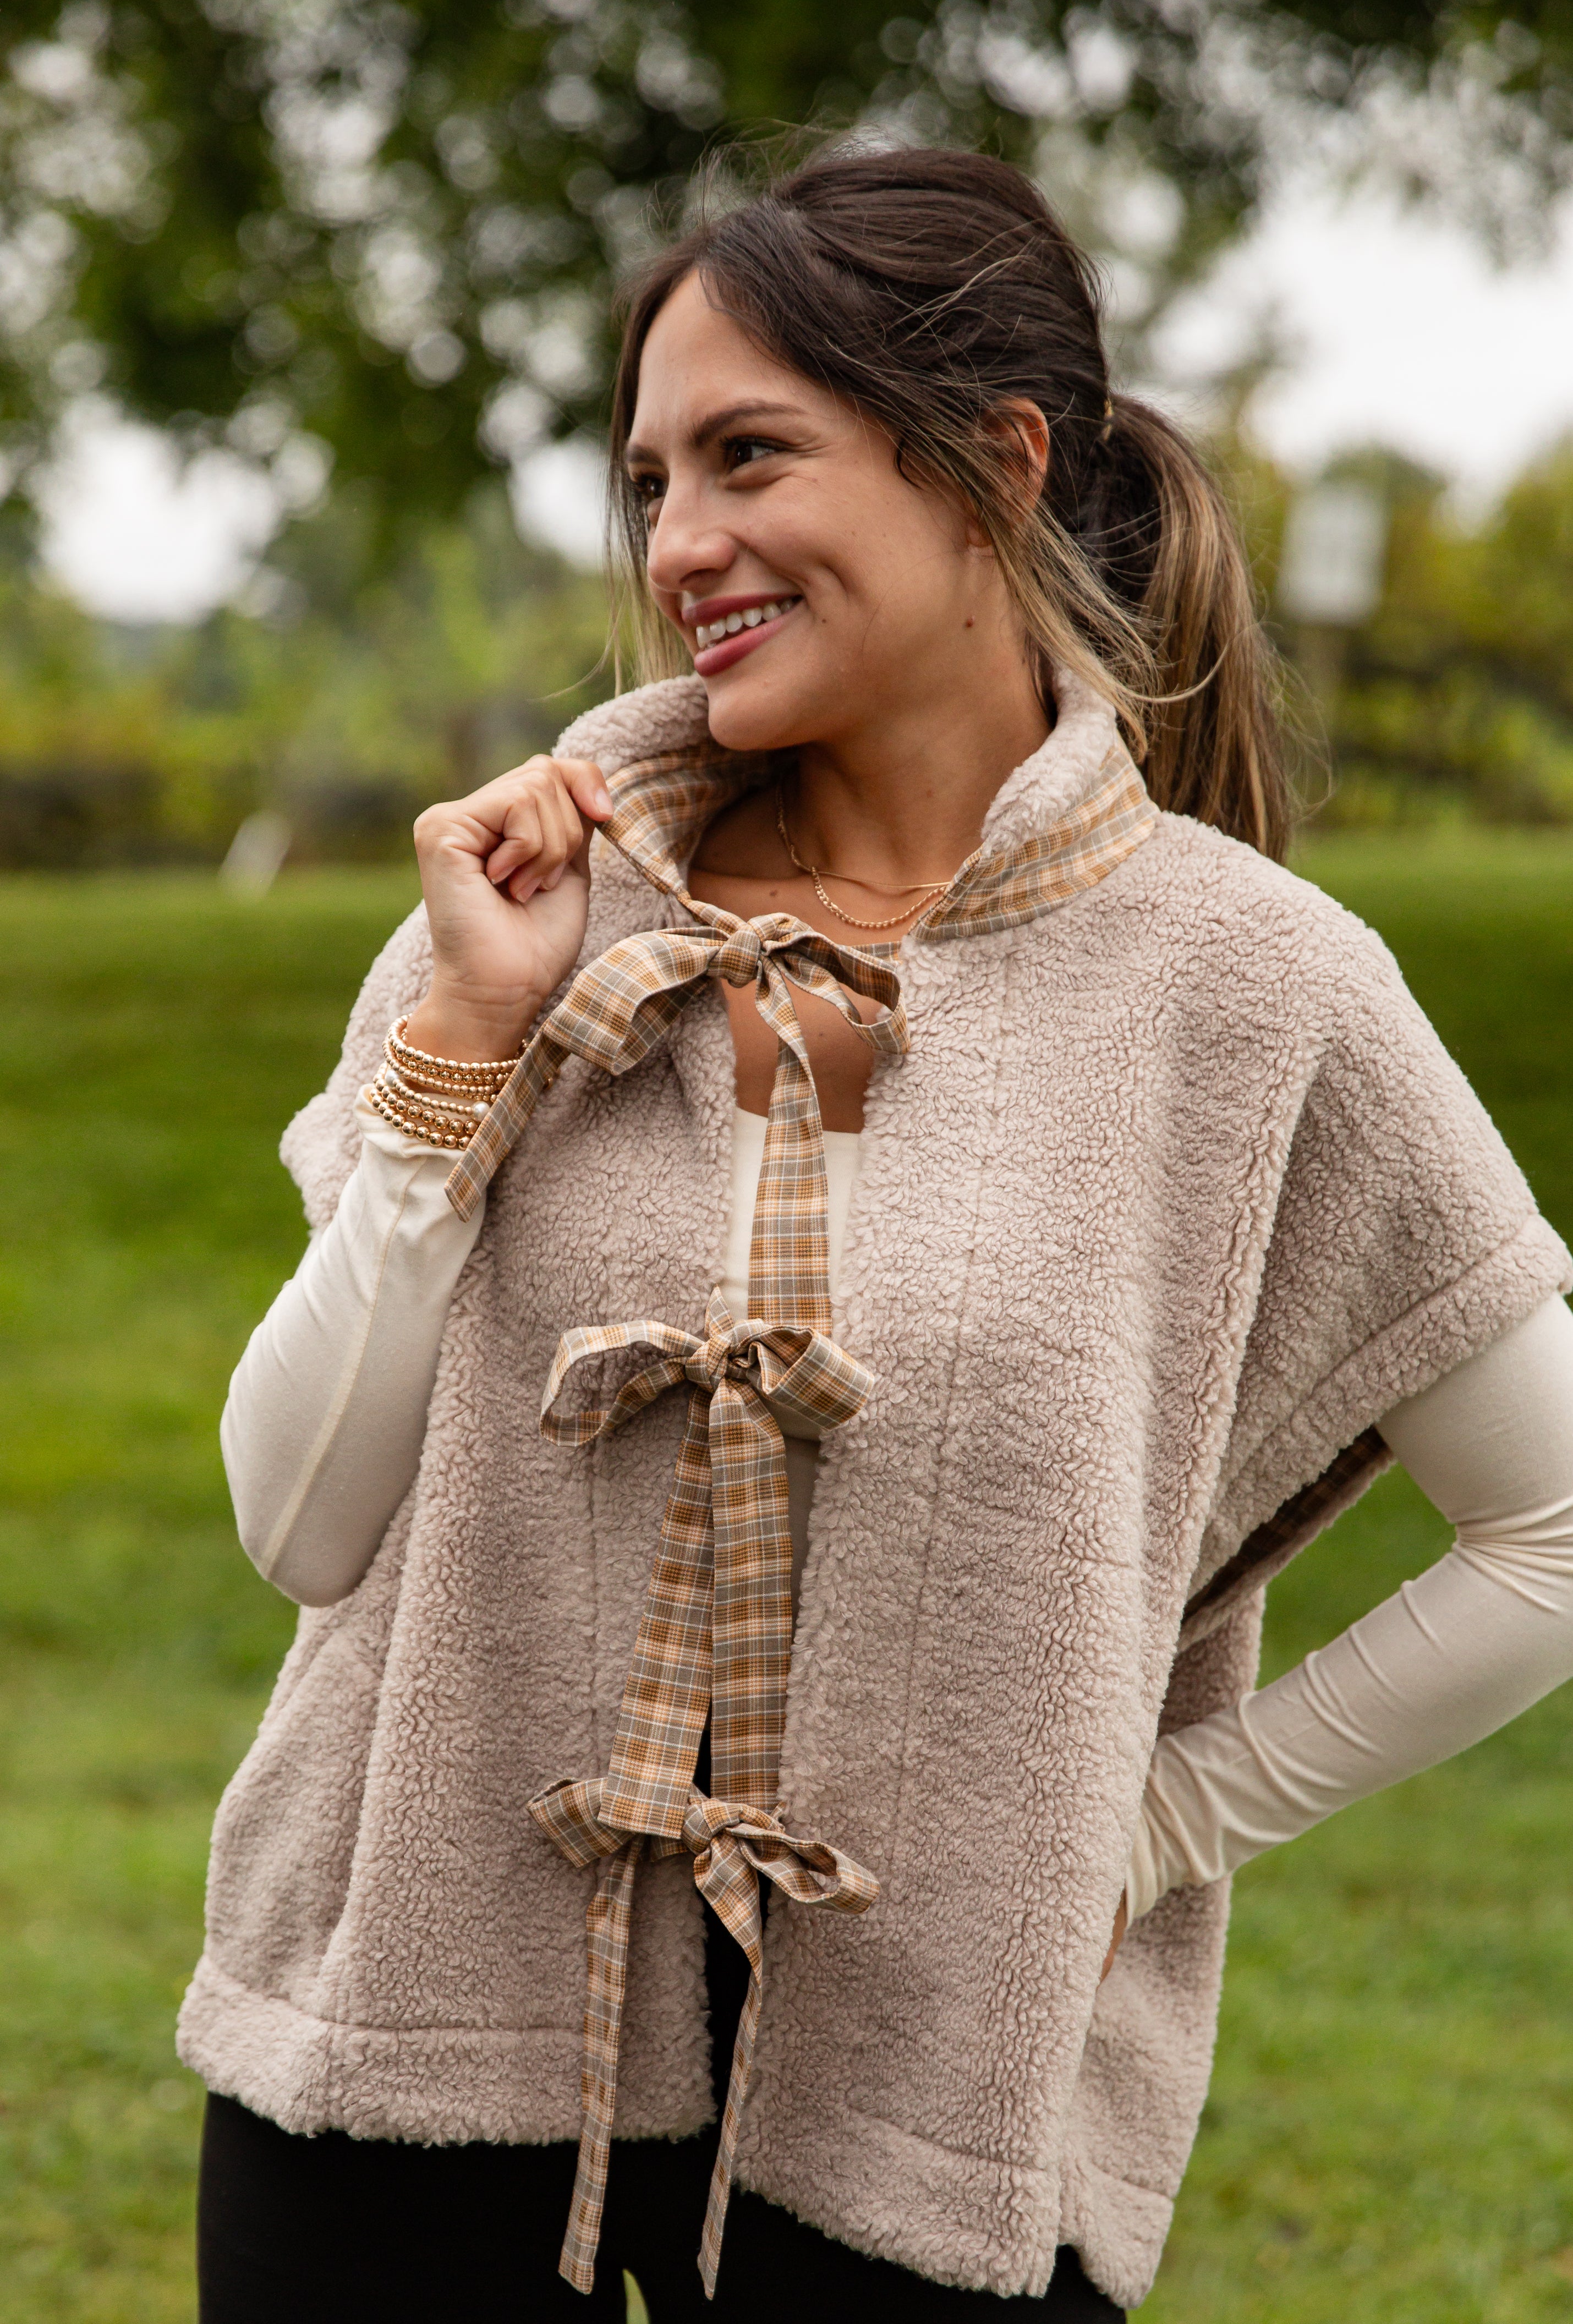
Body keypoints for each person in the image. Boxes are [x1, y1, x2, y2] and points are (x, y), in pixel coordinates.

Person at [182, 147, 1573, 2323]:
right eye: (647, 478)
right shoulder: (526, 916)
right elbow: (296, 1521)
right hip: (401, 2044)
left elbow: (1552, 1529)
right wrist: (463, 1044)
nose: (680, 545)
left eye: (751, 454)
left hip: (928, 2099)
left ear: (987, 469)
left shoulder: (1251, 992)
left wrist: (1148, 1826)